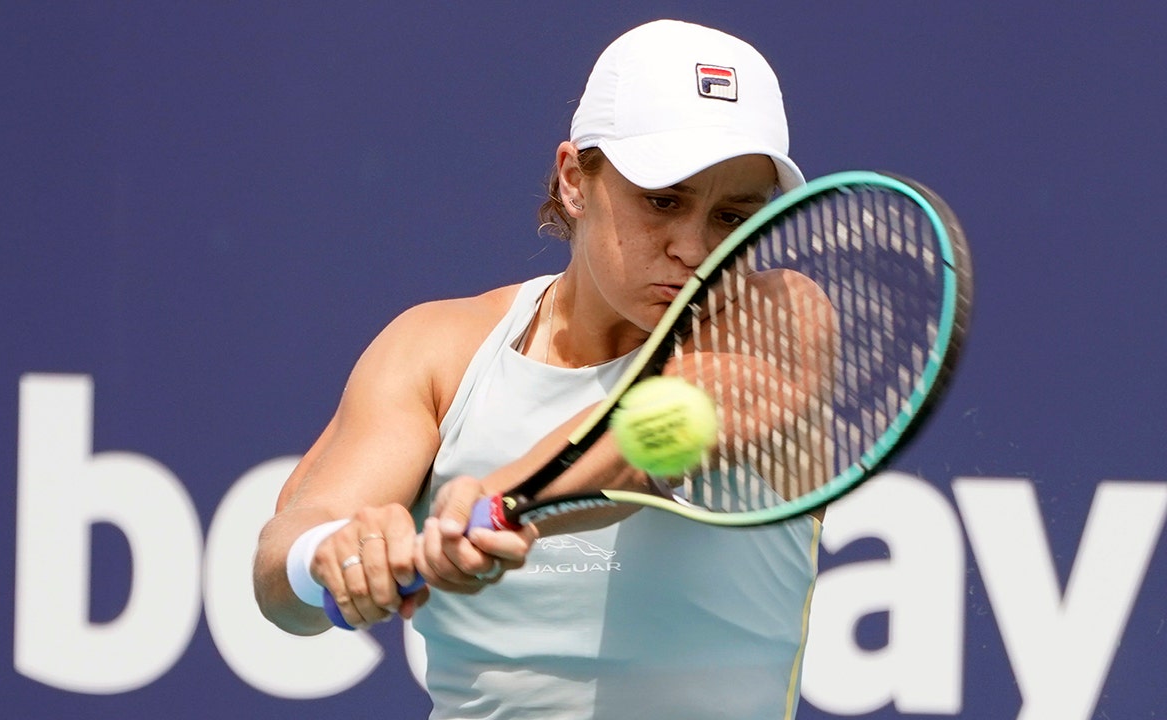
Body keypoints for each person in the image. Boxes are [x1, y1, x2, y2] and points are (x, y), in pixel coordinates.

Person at [253, 19, 822, 719]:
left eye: (733, 217)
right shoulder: (436, 348)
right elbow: (285, 563)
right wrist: (331, 558)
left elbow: (644, 440)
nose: (694, 247)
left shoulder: (779, 319)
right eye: (663, 201)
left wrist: (496, 503)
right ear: (575, 180)